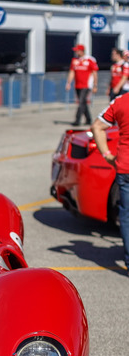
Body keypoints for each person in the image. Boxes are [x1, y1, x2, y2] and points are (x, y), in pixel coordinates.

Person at [92, 95, 129, 274]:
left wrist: (107, 154)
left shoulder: (120, 101)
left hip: (125, 167)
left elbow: (97, 127)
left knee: (127, 216)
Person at [66, 44, 98, 126]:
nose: (76, 52)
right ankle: (89, 119)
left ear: (81, 51)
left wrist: (95, 85)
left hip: (87, 85)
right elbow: (72, 72)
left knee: (80, 102)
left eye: (77, 50)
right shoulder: (74, 60)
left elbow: (94, 73)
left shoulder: (90, 60)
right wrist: (68, 83)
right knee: (83, 102)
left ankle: (77, 120)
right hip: (77, 85)